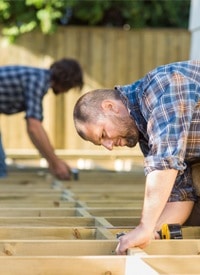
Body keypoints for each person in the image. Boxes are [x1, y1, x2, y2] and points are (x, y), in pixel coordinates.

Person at [73, 60, 200, 254]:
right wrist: (153, 232)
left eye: (103, 135)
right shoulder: (147, 137)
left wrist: (145, 226)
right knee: (189, 219)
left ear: (110, 107)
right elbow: (181, 195)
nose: (108, 146)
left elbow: (165, 163)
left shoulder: (161, 86)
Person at [0, 58, 83, 180]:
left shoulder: (38, 77)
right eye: (70, 87)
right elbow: (34, 127)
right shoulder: (37, 80)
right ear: (66, 81)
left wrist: (54, 161)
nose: (66, 91)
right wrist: (55, 163)